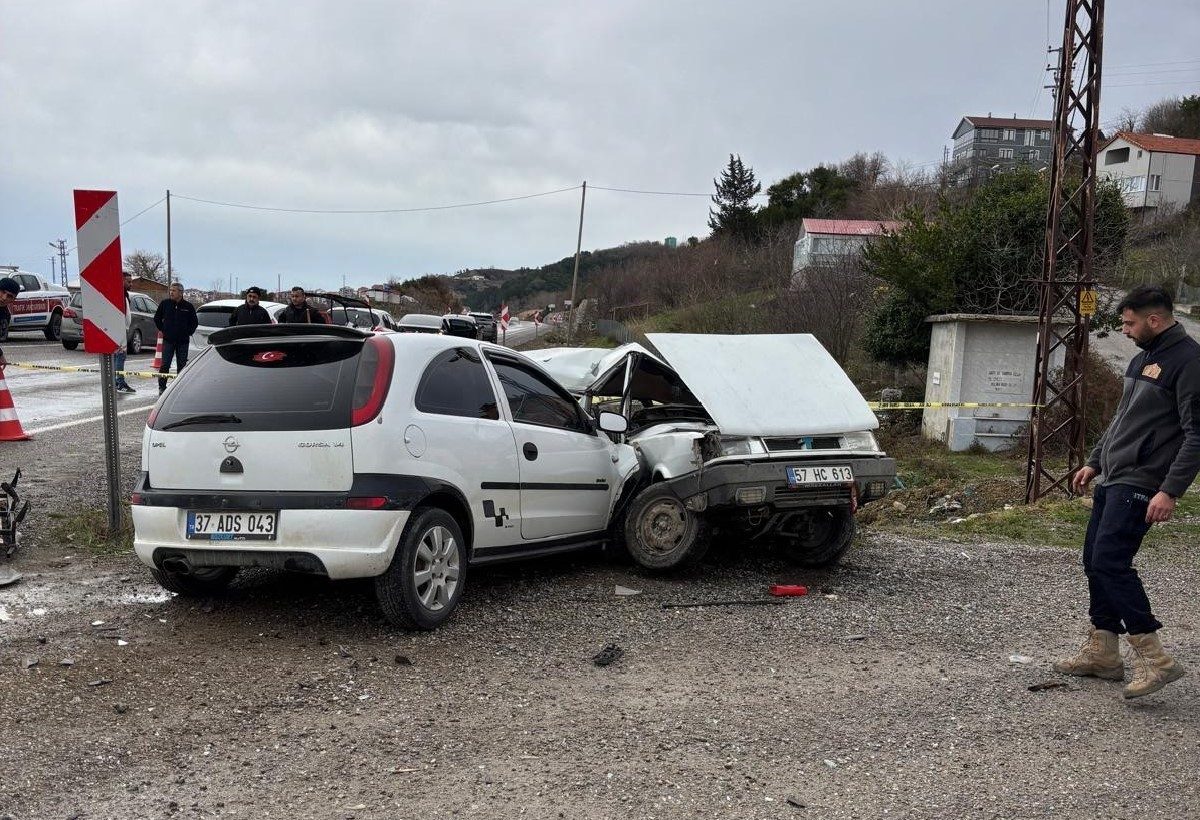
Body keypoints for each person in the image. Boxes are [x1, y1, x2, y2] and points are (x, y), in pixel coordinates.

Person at [1055, 284, 1199, 699]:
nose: (1125, 329)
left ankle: (1157, 660)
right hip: (1114, 476)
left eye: (1129, 322)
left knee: (1110, 562)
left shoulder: (1189, 363)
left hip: (1144, 481)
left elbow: (1196, 435)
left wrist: (1170, 491)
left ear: (1154, 320)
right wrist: (1095, 460)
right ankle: (1103, 652)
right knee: (1093, 561)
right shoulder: (1141, 359)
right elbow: (1122, 419)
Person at [153, 282, 198, 394]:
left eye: (174, 290)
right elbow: (157, 318)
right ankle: (162, 387)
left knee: (182, 365)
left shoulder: (188, 307)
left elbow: (194, 322)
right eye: (171, 290)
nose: (171, 292)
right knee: (165, 364)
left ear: (181, 293)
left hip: (183, 341)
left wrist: (188, 332)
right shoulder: (165, 304)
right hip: (168, 340)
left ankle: (180, 388)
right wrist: (164, 330)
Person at [114, 272, 136, 394]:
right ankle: (119, 382)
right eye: (128, 281)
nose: (131, 284)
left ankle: (116, 381)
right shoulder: (119, 295)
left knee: (117, 356)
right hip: (119, 329)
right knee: (120, 356)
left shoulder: (124, 294)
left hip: (122, 329)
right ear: (121, 281)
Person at [0, 276, 20, 372]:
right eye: (3, 292)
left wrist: (1, 356)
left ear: (14, 300)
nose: (4, 298)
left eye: (9, 296)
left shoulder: (5, 316)